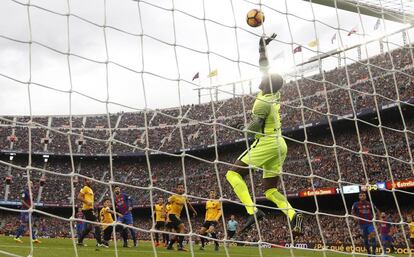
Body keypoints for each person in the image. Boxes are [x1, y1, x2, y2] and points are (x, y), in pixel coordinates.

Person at [225, 33, 302, 236]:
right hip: (280, 144)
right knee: (269, 190)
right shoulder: (273, 94)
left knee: (232, 174)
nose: (261, 77)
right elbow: (264, 67)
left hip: (267, 142)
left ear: (267, 83)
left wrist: (238, 126)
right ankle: (294, 216)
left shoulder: (262, 102)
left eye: (264, 78)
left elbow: (251, 129)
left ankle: (252, 210)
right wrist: (262, 48)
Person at [166, 184, 197, 251]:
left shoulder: (184, 197)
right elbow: (166, 203)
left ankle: (170, 245)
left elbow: (188, 204)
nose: (180, 189)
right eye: (179, 187)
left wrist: (194, 211)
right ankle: (180, 246)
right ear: (177, 189)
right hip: (172, 215)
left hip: (177, 216)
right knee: (182, 227)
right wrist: (163, 212)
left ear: (183, 189)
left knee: (178, 231)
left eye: (182, 188)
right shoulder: (174, 196)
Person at [77, 178, 104, 247]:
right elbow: (79, 197)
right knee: (97, 224)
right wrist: (87, 202)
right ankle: (99, 243)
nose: (90, 181)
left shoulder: (90, 189)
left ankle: (80, 241)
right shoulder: (85, 188)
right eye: (88, 180)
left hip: (90, 209)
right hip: (87, 209)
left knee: (89, 227)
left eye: (90, 180)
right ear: (85, 181)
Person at [352, 192, 380, 256]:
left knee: (373, 236)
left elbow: (377, 210)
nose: (362, 196)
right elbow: (352, 212)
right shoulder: (355, 204)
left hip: (370, 223)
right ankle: (369, 253)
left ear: (366, 196)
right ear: (359, 197)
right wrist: (354, 217)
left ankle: (373, 252)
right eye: (361, 195)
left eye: (364, 195)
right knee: (365, 241)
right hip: (362, 225)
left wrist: (378, 218)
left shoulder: (369, 204)